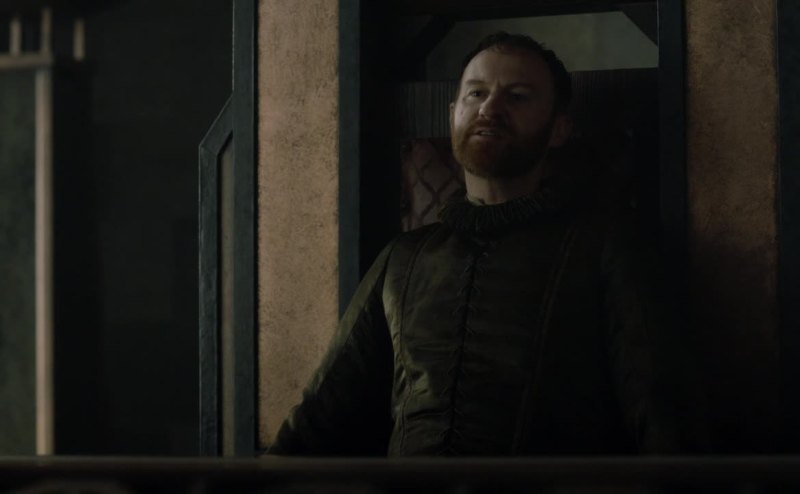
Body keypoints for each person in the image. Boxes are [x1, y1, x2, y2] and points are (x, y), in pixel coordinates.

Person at [268, 32, 705, 456]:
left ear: (559, 128)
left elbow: (664, 417)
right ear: (453, 114)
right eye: (476, 94)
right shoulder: (404, 257)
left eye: (517, 96)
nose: (490, 109)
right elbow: (320, 417)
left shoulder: (607, 247)